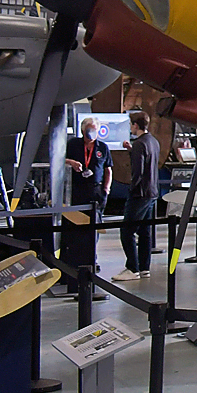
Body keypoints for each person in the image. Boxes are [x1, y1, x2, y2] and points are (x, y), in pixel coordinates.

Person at [60, 117, 111, 293]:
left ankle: (92, 261)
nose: (91, 132)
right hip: (76, 191)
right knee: (75, 232)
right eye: (89, 129)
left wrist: (106, 190)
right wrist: (71, 163)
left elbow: (108, 170)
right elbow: (59, 159)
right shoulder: (73, 144)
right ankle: (73, 265)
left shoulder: (102, 147)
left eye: (94, 129)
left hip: (96, 191)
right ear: (83, 130)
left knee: (93, 230)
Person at [113, 111, 160, 282]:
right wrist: (131, 151)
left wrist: (132, 189)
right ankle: (144, 267)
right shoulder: (153, 141)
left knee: (127, 231)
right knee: (145, 232)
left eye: (130, 125)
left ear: (135, 125)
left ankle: (132, 267)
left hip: (139, 194)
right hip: (152, 192)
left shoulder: (140, 144)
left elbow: (138, 171)